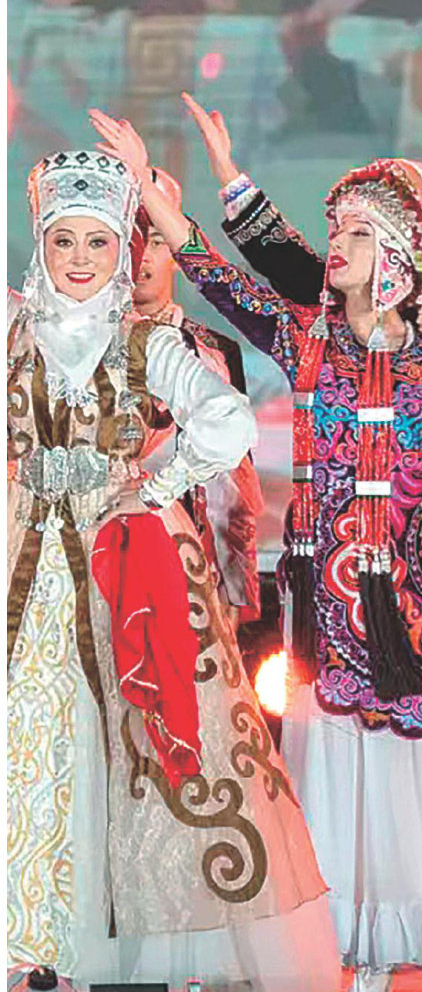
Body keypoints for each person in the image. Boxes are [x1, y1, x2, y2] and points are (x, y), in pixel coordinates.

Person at [89, 105, 422, 992]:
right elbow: (215, 273)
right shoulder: (305, 340)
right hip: (325, 614)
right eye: (336, 229)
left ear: (402, 256)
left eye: (359, 233)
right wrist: (146, 181)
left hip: (420, 613)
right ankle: (343, 949)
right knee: (328, 773)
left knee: (404, 786)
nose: (336, 244)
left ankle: (386, 953)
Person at [7, 148, 341, 992]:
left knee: (133, 746)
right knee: (35, 734)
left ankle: (103, 944)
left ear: (121, 249)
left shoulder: (144, 339)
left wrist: (152, 484)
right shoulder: (15, 333)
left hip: (123, 567)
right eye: (63, 240)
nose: (79, 259)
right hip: (28, 561)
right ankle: (33, 935)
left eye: (97, 241)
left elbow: (225, 419)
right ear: (41, 244)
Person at [131, 203, 263, 630]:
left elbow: (236, 478)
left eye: (156, 241)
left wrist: (237, 585)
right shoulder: (82, 342)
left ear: (175, 251)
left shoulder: (215, 350)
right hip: (112, 543)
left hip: (194, 556)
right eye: (132, 241)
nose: (143, 255)